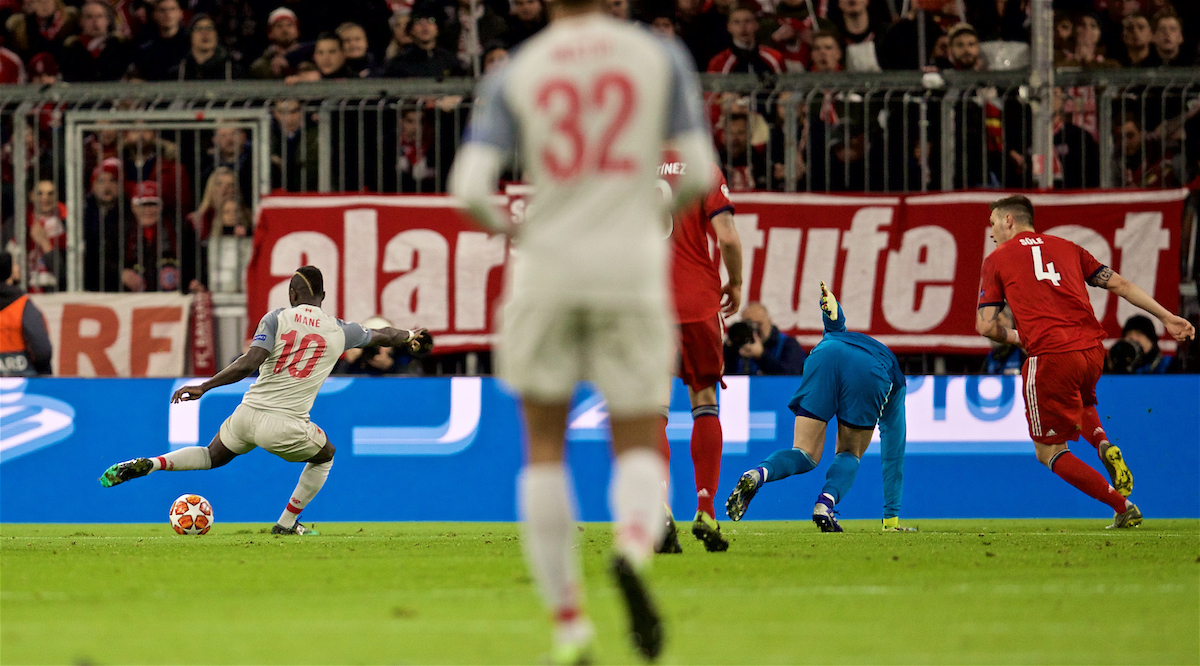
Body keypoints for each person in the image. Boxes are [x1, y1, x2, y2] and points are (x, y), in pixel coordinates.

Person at [447, 0, 717, 657]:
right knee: (636, 431)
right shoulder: (658, 56)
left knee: (544, 447)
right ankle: (632, 545)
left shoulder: (518, 71)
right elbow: (701, 174)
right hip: (628, 269)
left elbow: (470, 188)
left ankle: (570, 624)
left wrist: (526, 229)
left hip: (548, 269)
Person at [99, 266, 432, 533]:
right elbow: (382, 335)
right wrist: (410, 337)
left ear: (291, 295)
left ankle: (152, 463)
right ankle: (287, 524)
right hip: (284, 424)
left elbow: (249, 362)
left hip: (247, 413)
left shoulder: (276, 318)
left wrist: (206, 386)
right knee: (325, 454)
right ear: (323, 296)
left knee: (212, 455)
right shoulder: (338, 330)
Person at [975, 195, 1195, 528]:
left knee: (1048, 452)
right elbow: (1119, 284)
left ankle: (1122, 506)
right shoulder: (1068, 247)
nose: (991, 233)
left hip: (1049, 354)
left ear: (1009, 220)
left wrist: (1020, 338)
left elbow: (985, 325)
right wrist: (1167, 317)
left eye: (992, 223)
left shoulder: (997, 259)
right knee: (1082, 400)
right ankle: (1103, 443)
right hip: (1091, 350)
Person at [726, 282, 913, 532]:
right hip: (871, 370)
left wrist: (829, 309)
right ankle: (825, 505)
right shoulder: (897, 383)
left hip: (824, 353)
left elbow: (835, 325)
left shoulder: (842, 336)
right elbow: (893, 451)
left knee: (803, 452)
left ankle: (758, 473)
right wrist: (891, 518)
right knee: (849, 452)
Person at [654, 158, 742, 555]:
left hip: (644, 301)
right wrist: (736, 282)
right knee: (705, 401)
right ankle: (706, 508)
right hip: (698, 303)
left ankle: (658, 507)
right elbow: (727, 237)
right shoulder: (702, 167)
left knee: (651, 410)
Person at [0, 250, 53, 377]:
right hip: (22, 379)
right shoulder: (22, 305)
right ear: (8, 273)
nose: (17, 268)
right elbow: (42, 351)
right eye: (14, 265)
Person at [382, 3, 463, 79]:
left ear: (438, 28)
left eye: (431, 20)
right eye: (418, 21)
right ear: (411, 30)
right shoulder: (399, 63)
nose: (425, 26)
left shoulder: (449, 61)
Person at [59, 0, 131, 82]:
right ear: (81, 21)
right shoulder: (71, 48)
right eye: (89, 17)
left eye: (99, 16)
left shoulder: (120, 46)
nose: (95, 21)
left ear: (107, 20)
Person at [724, 302, 805, 375]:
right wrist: (729, 350)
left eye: (758, 324)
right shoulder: (738, 346)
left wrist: (761, 356)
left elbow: (791, 377)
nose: (754, 330)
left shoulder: (788, 344)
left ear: (769, 322)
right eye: (748, 325)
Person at [706, 7, 784, 74]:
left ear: (756, 25)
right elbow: (711, 91)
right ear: (729, 27)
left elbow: (787, 87)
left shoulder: (775, 57)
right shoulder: (719, 62)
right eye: (736, 22)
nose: (742, 27)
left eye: (747, 21)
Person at [134, 0, 189, 81]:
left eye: (172, 9)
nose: (167, 14)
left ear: (180, 13)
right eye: (162, 10)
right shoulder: (145, 47)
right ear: (154, 15)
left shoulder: (190, 42)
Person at [249, 7, 301, 79]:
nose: (285, 30)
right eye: (279, 26)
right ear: (270, 33)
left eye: (289, 25)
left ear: (297, 31)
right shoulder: (260, 66)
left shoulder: (311, 58)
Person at [982, 306, 1024, 375]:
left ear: (1011, 321)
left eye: (998, 320)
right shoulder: (991, 358)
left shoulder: (1022, 353)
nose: (993, 327)